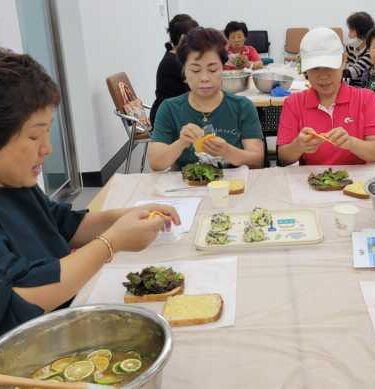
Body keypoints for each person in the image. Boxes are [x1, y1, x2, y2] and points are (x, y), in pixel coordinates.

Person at [0, 51, 181, 335]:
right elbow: (20, 301)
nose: (47, 148)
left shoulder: (15, 183)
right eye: (35, 136)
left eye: (48, 133)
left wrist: (128, 215)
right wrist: (112, 242)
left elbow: (65, 225)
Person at [148, 28, 264, 171]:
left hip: (232, 188)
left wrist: (227, 151)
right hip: (186, 189)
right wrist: (181, 142)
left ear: (223, 69)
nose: (204, 78)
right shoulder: (169, 109)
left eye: (213, 69)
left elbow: (257, 160)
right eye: (195, 70)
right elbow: (155, 163)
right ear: (184, 72)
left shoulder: (242, 106)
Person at [277, 27, 375, 166]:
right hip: (311, 181)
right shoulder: (294, 103)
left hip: (356, 183)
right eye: (315, 68)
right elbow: (283, 158)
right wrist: (298, 146)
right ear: (304, 68)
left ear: (343, 61)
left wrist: (351, 143)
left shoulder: (365, 98)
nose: (323, 76)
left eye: (330, 67)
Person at [149, 14, 199, 126]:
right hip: (168, 118)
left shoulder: (177, 57)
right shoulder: (174, 62)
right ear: (183, 39)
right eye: (195, 37)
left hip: (178, 112)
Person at [343, 12, 375, 87]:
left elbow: (353, 71)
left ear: (361, 32)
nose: (348, 35)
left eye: (351, 31)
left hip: (364, 89)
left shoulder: (371, 51)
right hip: (350, 86)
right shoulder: (350, 47)